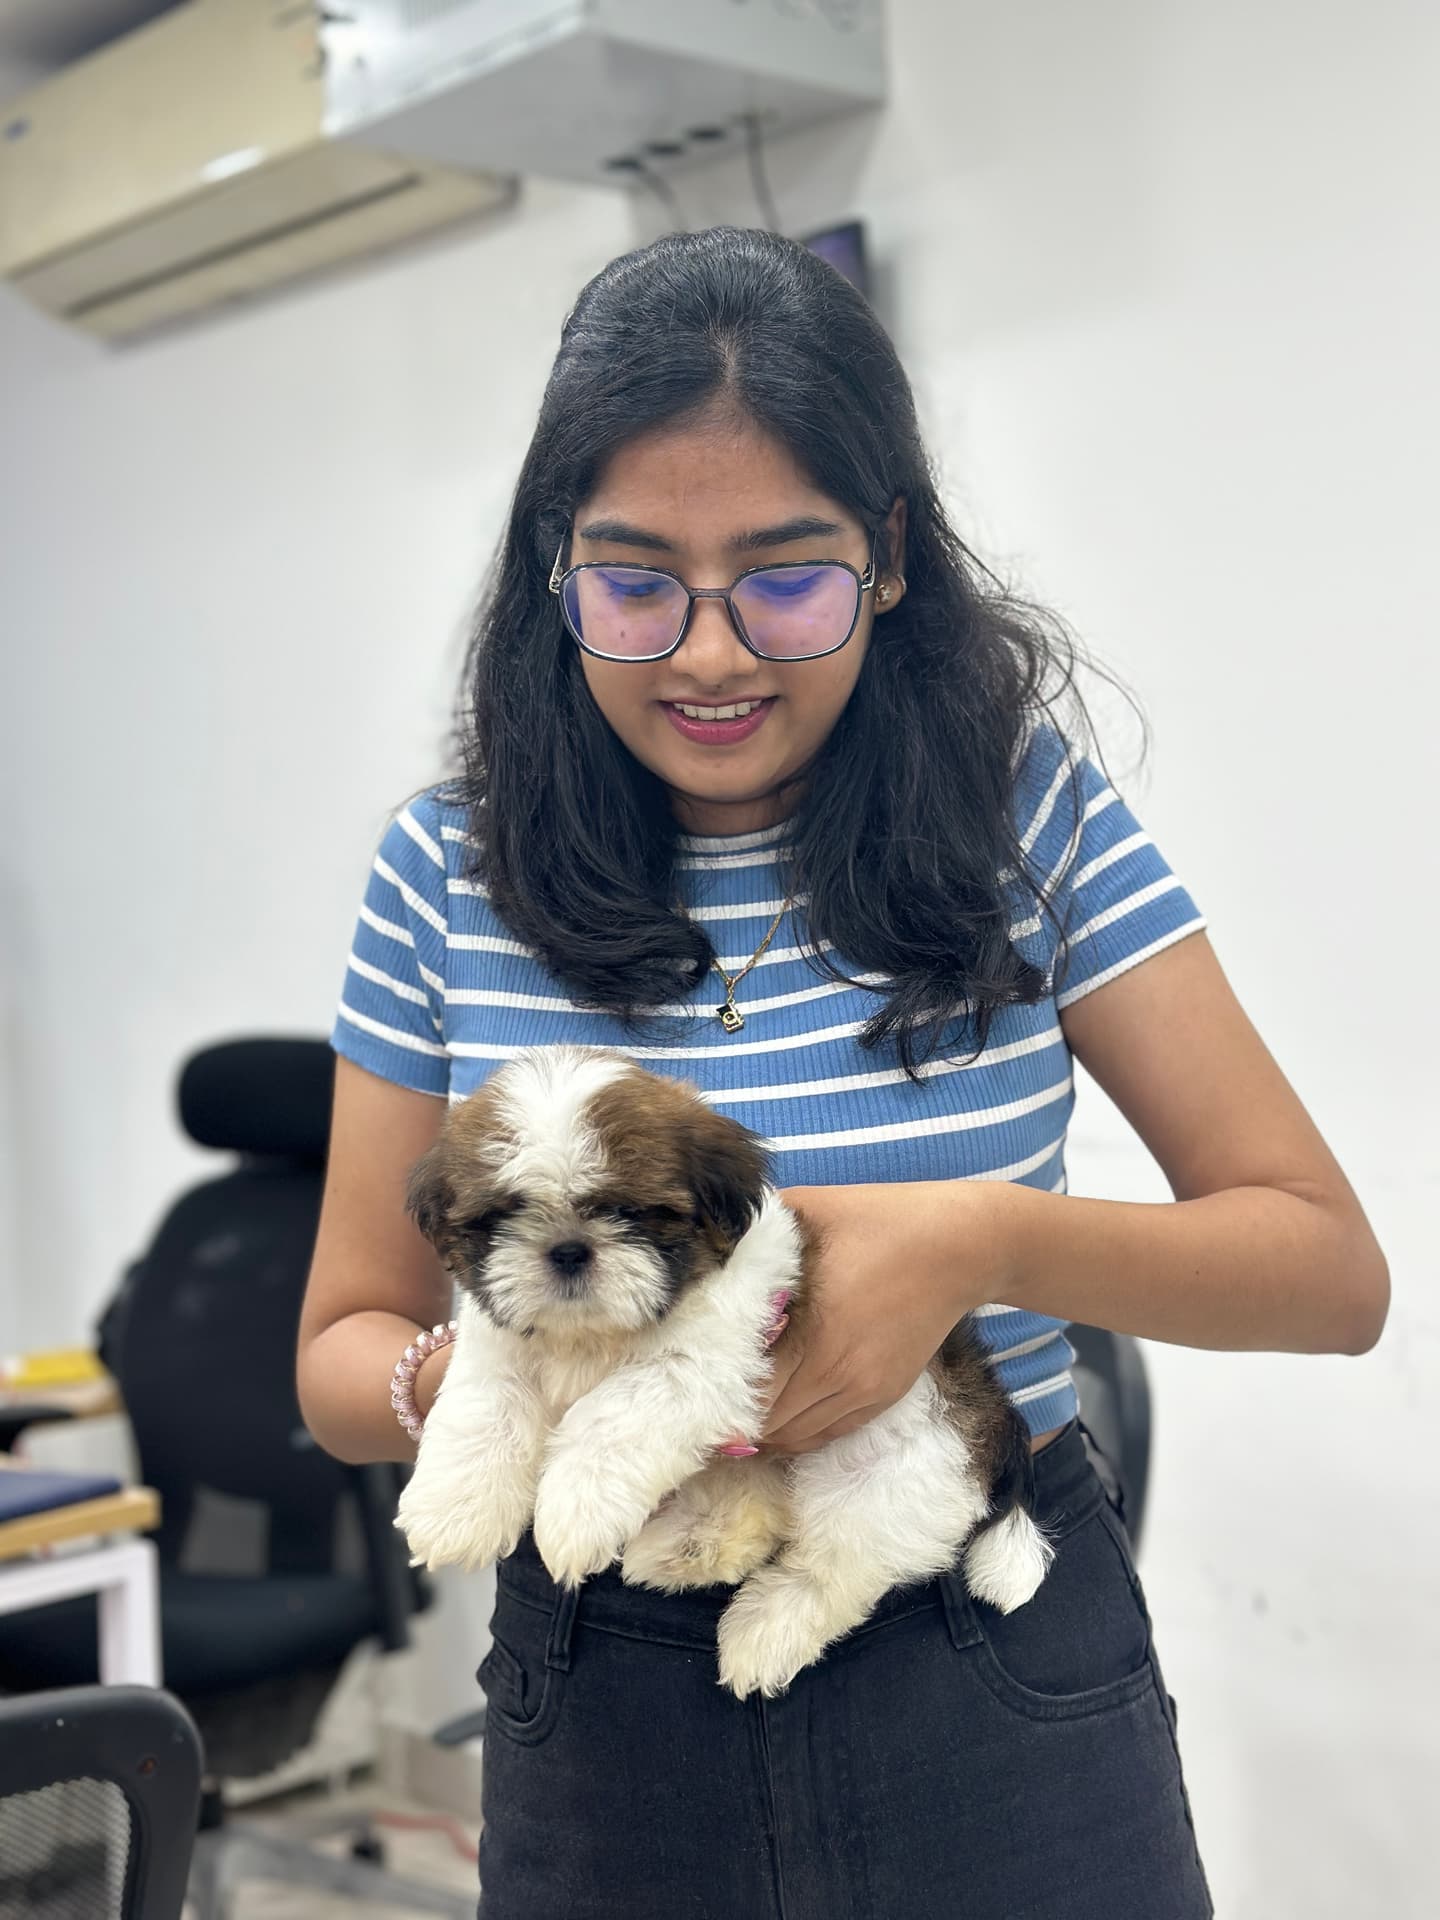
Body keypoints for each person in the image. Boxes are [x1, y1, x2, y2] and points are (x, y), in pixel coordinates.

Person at [297, 226, 1388, 1919]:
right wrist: (499, 1393)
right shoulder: (446, 871)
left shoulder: (1032, 820)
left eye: (787, 577)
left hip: (989, 1660)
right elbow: (334, 1347)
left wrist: (994, 1241)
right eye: (636, 580)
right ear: (549, 563)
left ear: (885, 557)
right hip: (602, 1684)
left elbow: (1328, 1270)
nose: (712, 654)